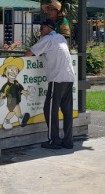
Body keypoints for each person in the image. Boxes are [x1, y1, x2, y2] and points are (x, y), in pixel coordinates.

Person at [26, 17, 77, 150]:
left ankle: (54, 140)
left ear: (48, 28)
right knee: (67, 111)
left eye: (41, 28)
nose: (40, 31)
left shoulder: (46, 39)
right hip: (69, 77)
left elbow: (29, 53)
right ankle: (68, 141)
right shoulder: (60, 37)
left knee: (50, 109)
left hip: (57, 79)